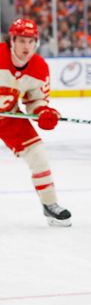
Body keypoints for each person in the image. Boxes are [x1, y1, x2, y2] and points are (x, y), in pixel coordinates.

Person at [0, 18, 71, 226]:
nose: (26, 47)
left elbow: (35, 101)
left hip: (8, 116)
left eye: (31, 41)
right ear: (11, 40)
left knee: (38, 154)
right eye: (21, 41)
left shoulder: (39, 67)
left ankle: (50, 205)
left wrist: (44, 112)